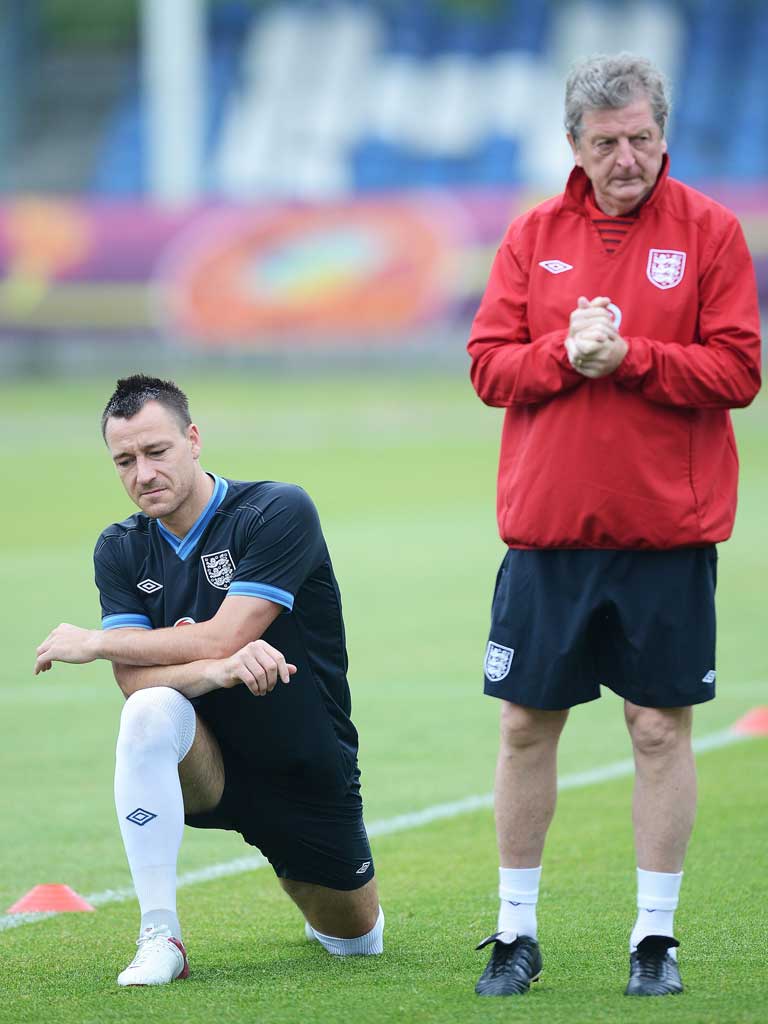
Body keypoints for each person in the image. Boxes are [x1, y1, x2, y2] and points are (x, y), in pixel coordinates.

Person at [467, 54, 761, 998]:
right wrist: (566, 351)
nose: (626, 157)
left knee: (658, 732)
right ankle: (515, 933)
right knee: (523, 727)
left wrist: (631, 356)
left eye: (640, 138)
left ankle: (654, 940)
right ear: (574, 147)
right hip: (548, 533)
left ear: (663, 134)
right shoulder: (532, 236)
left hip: (666, 534)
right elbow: (488, 368)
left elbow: (737, 372)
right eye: (606, 143)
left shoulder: (711, 234)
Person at [34, 374, 383, 986]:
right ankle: (159, 935)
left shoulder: (275, 509)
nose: (142, 474)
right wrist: (215, 672)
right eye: (124, 460)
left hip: (300, 763)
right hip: (204, 759)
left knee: (354, 943)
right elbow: (137, 680)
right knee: (146, 712)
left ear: (192, 440)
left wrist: (93, 641)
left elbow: (228, 633)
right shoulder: (120, 547)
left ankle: (317, 890)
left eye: (156, 451)